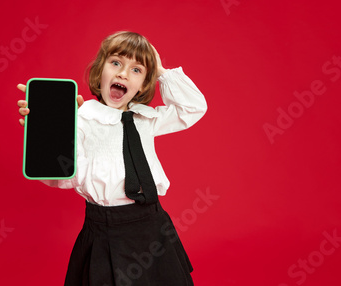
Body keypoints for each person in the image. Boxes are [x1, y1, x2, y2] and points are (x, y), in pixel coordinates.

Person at [17, 31, 207, 285]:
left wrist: (160, 70)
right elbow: (64, 177)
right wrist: (48, 134)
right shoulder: (82, 118)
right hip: (104, 231)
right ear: (100, 71)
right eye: (116, 63)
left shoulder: (146, 119)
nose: (123, 74)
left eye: (137, 70)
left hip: (153, 225)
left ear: (143, 84)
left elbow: (193, 108)